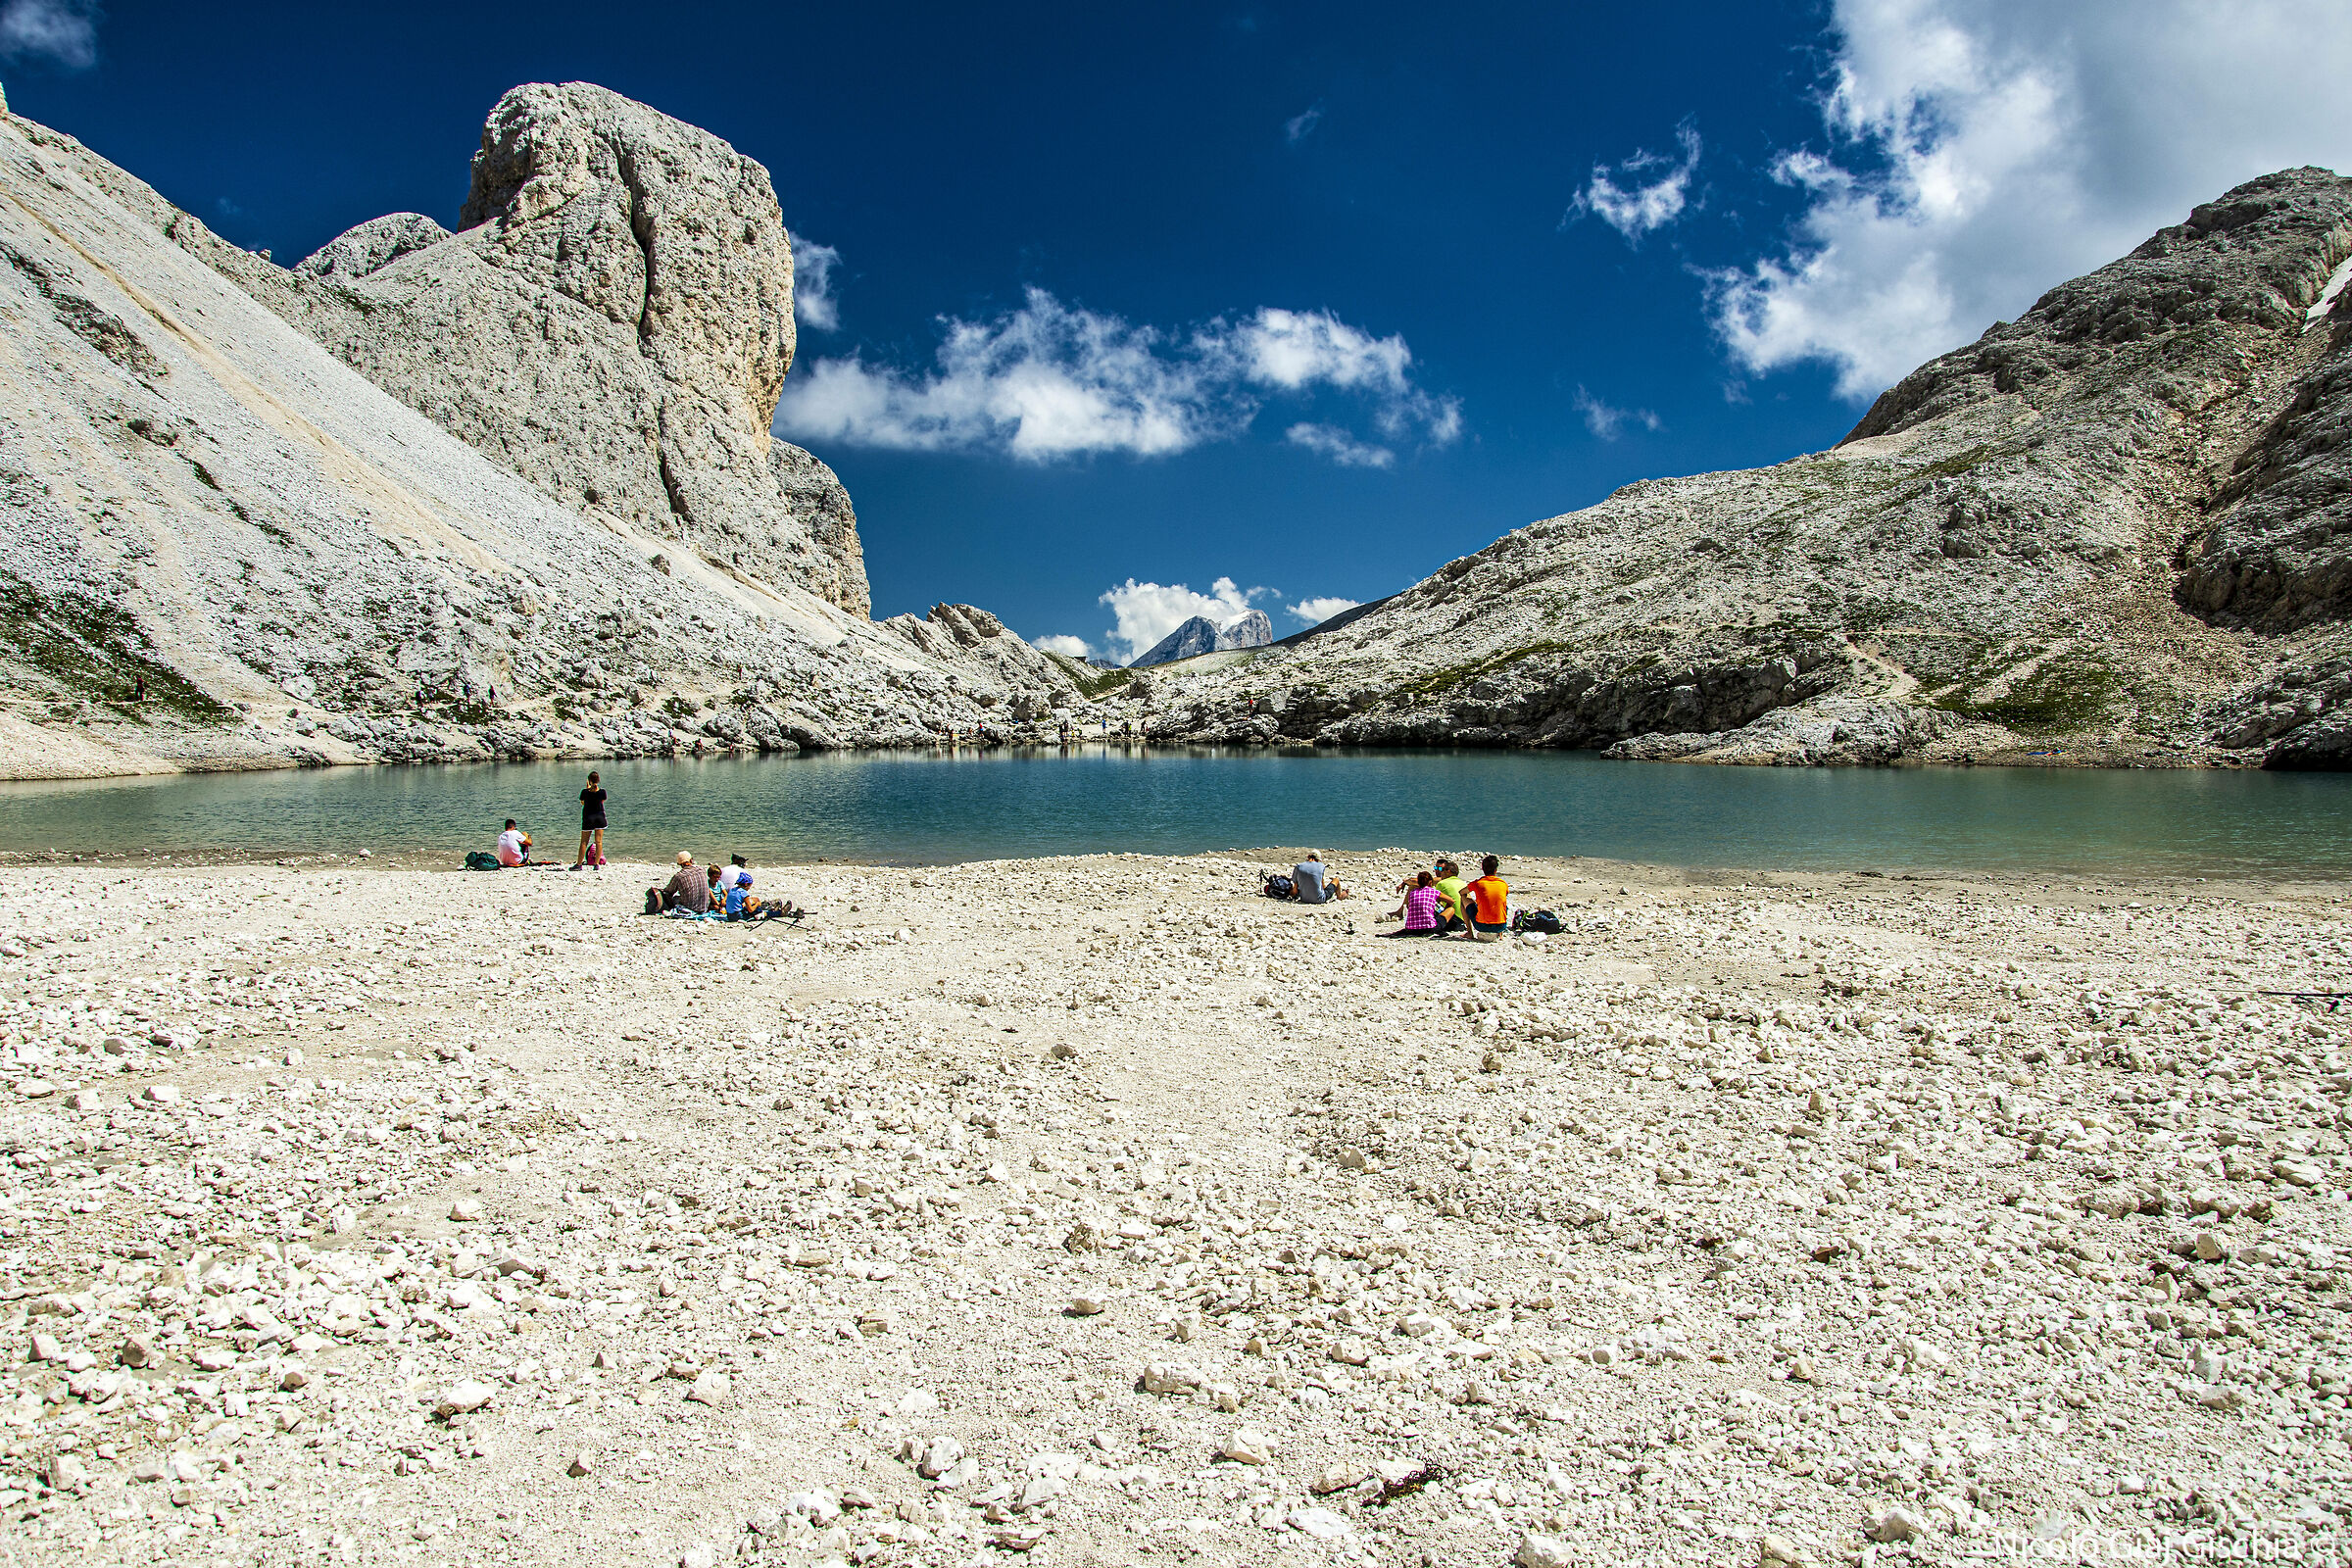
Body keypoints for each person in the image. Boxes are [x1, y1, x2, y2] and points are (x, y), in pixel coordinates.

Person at [1382, 870, 1446, 937]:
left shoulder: (1442, 880)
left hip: (1413, 927)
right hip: (1430, 920)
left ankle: (1401, 912)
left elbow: (1414, 881)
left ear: (1447, 871)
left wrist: (1404, 882)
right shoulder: (1433, 888)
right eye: (1435, 868)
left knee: (1414, 887)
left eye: (1440, 869)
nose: (1437, 870)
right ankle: (1400, 911)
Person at [1461, 855, 1510, 940]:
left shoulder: (1478, 883)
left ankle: (1469, 932)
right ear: (1496, 870)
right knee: (1502, 904)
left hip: (1481, 926)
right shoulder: (1503, 883)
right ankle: (1500, 934)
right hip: (1501, 926)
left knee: (1463, 898)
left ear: (1483, 869)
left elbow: (1462, 892)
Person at [573, 770, 608, 870]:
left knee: (584, 842)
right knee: (599, 842)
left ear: (589, 780)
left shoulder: (584, 792)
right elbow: (602, 801)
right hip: (600, 818)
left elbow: (583, 803)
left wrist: (588, 788)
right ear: (598, 780)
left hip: (588, 818)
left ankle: (579, 864)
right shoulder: (602, 792)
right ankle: (596, 864)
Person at [1432, 858, 1469, 933]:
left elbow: (1436, 901)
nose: (1440, 873)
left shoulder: (1441, 883)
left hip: (1452, 919)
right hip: (1464, 920)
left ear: (1448, 872)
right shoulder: (1463, 883)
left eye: (1442, 870)